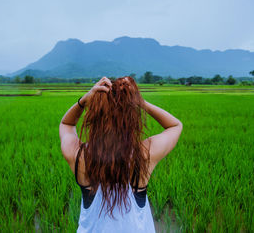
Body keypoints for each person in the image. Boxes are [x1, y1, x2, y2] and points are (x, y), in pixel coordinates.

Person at [59, 76, 183, 232]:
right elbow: (175, 126)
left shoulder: (80, 156)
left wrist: (83, 100)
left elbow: (66, 124)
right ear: (131, 119)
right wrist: (140, 102)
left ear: (95, 118)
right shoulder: (143, 155)